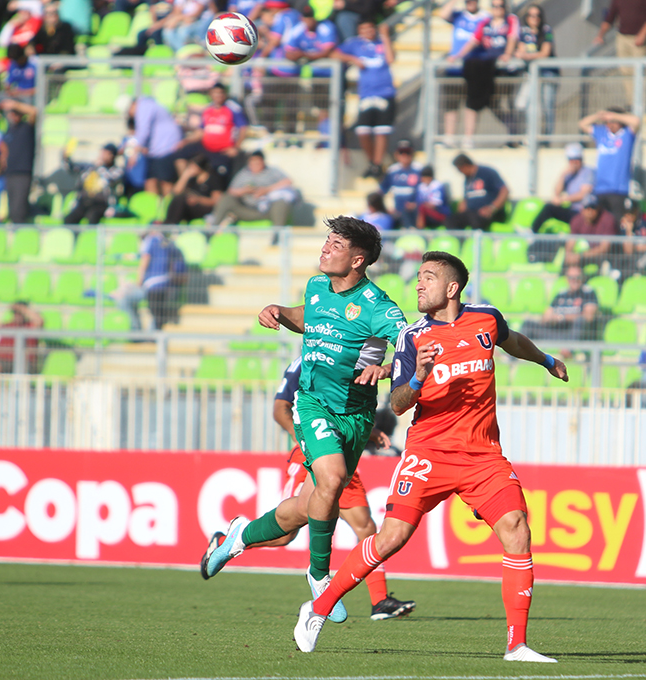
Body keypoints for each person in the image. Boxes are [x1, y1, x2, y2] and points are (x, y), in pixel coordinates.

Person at [292, 250, 567, 661]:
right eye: (418, 277)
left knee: (517, 528)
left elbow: (512, 342)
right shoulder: (411, 337)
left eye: (429, 277)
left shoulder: (486, 319)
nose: (419, 284)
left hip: (483, 457)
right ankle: (318, 607)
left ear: (452, 288)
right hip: (429, 453)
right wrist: (418, 376)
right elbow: (399, 404)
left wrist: (546, 360)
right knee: (391, 538)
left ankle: (517, 644)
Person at [201, 217, 407, 626]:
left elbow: (410, 345)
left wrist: (385, 370)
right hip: (312, 405)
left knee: (299, 513)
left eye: (336, 244)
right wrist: (279, 311)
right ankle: (318, 577)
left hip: (356, 415)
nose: (326, 248)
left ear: (357, 259)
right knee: (331, 483)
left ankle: (237, 536)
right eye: (327, 240)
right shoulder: (316, 288)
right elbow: (305, 316)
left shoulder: (378, 307)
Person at [202, 357, 418, 620]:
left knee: (365, 525)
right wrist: (310, 439)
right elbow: (280, 408)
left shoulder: (354, 354)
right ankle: (230, 541)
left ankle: (380, 601)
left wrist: (368, 432)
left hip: (342, 453)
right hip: (313, 450)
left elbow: (346, 406)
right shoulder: (305, 361)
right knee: (287, 533)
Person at [449, 0, 517, 148]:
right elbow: (473, 41)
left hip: (502, 71)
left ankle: (516, 133)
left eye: (500, 6)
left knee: (500, 104)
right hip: (485, 70)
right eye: (494, 6)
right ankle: (469, 138)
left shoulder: (510, 21)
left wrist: (508, 54)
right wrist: (457, 56)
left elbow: (512, 38)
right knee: (481, 101)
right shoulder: (486, 23)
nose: (497, 9)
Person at [334, 20, 395, 180]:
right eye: (364, 29)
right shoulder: (354, 44)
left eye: (370, 28)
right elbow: (334, 53)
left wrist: (386, 36)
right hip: (366, 94)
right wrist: (353, 59)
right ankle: (372, 163)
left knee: (382, 130)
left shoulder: (382, 42)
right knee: (363, 131)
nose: (368, 31)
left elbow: (390, 59)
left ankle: (377, 163)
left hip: (385, 92)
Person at [116, 230, 188, 331]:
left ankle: (140, 332)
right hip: (162, 286)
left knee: (126, 301)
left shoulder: (152, 241)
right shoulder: (171, 245)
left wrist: (139, 282)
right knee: (155, 312)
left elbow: (145, 261)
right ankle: (145, 334)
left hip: (153, 286)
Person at [439, 0, 489, 145]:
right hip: (455, 69)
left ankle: (468, 138)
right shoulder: (459, 15)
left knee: (471, 104)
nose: (470, 3)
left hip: (475, 68)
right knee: (451, 104)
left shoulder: (485, 17)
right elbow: (443, 14)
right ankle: (449, 137)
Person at [578, 107, 640, 222]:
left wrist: (614, 116)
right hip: (600, 189)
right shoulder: (602, 133)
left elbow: (636, 121)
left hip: (618, 190)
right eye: (608, 122)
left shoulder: (627, 134)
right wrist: (598, 115)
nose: (610, 124)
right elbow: (582, 124)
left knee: (616, 223)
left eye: (613, 122)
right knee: (599, 223)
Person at [593, 0, 646, 102]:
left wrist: (643, 34)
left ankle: (644, 103)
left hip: (639, 39)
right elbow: (610, 17)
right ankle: (632, 102)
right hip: (622, 37)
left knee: (638, 71)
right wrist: (600, 35)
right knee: (625, 71)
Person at [210, 150, 295, 226]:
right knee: (226, 198)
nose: (255, 165)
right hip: (247, 208)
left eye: (257, 163)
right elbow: (231, 190)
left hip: (267, 209)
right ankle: (212, 229)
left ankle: (277, 236)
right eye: (252, 163)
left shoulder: (272, 171)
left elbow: (288, 181)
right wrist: (244, 191)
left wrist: (267, 190)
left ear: (263, 162)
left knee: (281, 202)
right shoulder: (244, 173)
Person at [521, 263, 598, 343]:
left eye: (577, 277)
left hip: (572, 334)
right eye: (571, 277)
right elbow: (545, 317)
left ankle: (569, 349)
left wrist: (562, 317)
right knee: (528, 324)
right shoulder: (561, 294)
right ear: (566, 279)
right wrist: (552, 319)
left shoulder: (588, 293)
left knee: (579, 321)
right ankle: (513, 354)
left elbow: (588, 317)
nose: (574, 280)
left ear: (582, 278)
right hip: (555, 332)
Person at [530, 142, 594, 233]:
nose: (574, 163)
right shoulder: (569, 174)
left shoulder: (588, 172)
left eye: (577, 160)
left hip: (583, 212)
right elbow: (557, 193)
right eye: (571, 160)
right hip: (572, 210)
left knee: (551, 207)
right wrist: (563, 175)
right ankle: (532, 231)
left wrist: (563, 200)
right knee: (549, 207)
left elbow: (583, 194)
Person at [516, 4, 558, 137]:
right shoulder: (523, 31)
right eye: (531, 15)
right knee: (523, 104)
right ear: (527, 17)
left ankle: (547, 139)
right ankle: (529, 135)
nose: (535, 18)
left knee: (547, 106)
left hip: (548, 73)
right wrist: (529, 55)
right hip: (531, 74)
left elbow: (545, 52)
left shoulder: (547, 30)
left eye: (537, 15)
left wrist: (528, 56)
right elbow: (520, 50)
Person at [128, 96, 183, 196]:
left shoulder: (144, 106)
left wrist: (135, 153)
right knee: (151, 181)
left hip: (166, 147)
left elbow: (144, 130)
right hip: (157, 150)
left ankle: (168, 208)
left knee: (165, 182)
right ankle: (155, 208)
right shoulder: (150, 105)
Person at [194, 83, 247, 184]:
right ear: (211, 94)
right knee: (182, 156)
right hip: (207, 147)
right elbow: (200, 130)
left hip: (224, 150)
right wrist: (185, 141)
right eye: (215, 93)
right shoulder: (208, 109)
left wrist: (236, 147)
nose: (218, 96)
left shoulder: (233, 109)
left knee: (220, 174)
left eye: (220, 93)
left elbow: (243, 128)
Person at [64, 143, 124, 225]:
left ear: (112, 155)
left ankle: (89, 237)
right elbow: (73, 168)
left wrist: (99, 167)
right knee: (69, 218)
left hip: (101, 203)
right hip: (86, 201)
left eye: (106, 153)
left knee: (92, 216)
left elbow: (109, 180)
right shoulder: (91, 167)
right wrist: (66, 158)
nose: (102, 156)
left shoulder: (117, 171)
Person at [447, 153, 508, 230]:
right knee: (450, 221)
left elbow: (504, 191)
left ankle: (478, 241)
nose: (459, 172)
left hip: (488, 213)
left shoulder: (487, 172)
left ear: (465, 166)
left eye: (459, 169)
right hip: (472, 213)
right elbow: (468, 197)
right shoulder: (468, 179)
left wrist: (492, 208)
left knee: (475, 220)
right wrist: (463, 204)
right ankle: (460, 241)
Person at [0, 98, 36, 224]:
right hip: (10, 173)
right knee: (11, 209)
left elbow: (33, 112)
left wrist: (15, 104)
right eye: (12, 113)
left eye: (16, 113)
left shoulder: (26, 127)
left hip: (22, 172)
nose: (13, 116)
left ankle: (21, 236)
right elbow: (4, 148)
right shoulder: (9, 131)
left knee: (18, 210)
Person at [0, 301, 44, 374]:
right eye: (16, 312)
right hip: (3, 362)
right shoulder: (2, 327)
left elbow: (39, 321)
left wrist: (22, 308)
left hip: (24, 364)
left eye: (20, 313)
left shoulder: (30, 327)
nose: (18, 315)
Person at [563, 194, 618, 268]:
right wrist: (569, 255)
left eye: (593, 207)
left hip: (604, 258)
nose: (590, 211)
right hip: (582, 258)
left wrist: (580, 255)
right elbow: (570, 243)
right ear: (582, 209)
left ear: (598, 208)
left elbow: (604, 248)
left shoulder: (608, 219)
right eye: (587, 207)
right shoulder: (576, 220)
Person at [164, 155, 222, 225]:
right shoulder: (192, 179)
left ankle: (170, 225)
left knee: (181, 199)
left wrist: (198, 199)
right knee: (178, 199)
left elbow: (216, 201)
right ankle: (169, 224)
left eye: (193, 167)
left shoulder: (213, 179)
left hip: (204, 208)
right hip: (189, 207)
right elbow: (175, 192)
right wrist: (185, 175)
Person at [379, 139, 421, 227]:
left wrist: (416, 204)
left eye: (408, 152)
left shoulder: (419, 170)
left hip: (413, 213)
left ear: (413, 153)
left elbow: (425, 192)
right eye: (401, 152)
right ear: (396, 154)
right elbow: (382, 191)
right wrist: (386, 208)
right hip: (396, 212)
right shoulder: (392, 171)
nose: (405, 155)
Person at [618, 196, 646, 279]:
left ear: (637, 211)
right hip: (633, 256)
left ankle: (636, 270)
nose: (629, 216)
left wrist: (640, 247)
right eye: (627, 213)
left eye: (631, 212)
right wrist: (629, 231)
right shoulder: (624, 225)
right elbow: (628, 251)